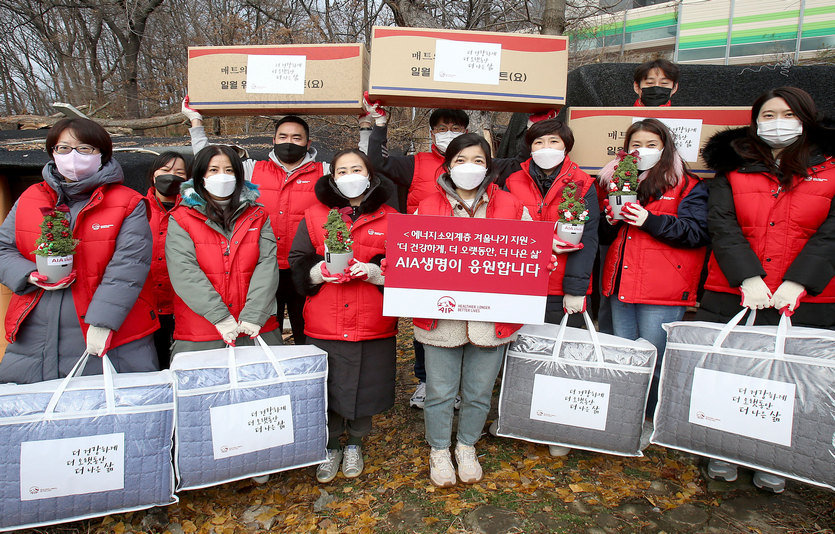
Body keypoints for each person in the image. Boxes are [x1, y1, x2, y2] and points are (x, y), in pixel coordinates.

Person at [697, 87, 835, 493]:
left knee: (789, 383)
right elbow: (722, 225)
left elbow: (831, 232)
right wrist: (747, 277)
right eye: (769, 114)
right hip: (735, 293)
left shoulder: (830, 169)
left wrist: (799, 280)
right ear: (756, 120)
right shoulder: (732, 169)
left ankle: (776, 458)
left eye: (788, 114)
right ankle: (723, 449)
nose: (778, 122)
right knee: (729, 375)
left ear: (806, 118)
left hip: (806, 299)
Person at [412, 133, 537, 488]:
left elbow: (530, 254)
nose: (470, 168)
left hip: (490, 318)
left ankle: (466, 446)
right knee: (439, 390)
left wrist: (541, 259)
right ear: (448, 166)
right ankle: (439, 449)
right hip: (442, 317)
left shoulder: (511, 206)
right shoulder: (427, 205)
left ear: (489, 166)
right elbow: (413, 256)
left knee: (480, 390)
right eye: (461, 160)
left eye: (478, 161)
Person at [0, 118, 159, 383]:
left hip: (109, 334)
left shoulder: (127, 202)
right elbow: (4, 248)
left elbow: (129, 266)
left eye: (84, 148)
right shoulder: (30, 198)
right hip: (33, 334)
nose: (73, 156)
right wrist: (28, 275)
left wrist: (102, 322)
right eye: (63, 148)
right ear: (52, 152)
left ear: (102, 155)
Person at [288, 149, 398, 483]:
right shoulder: (313, 214)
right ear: (332, 177)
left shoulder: (391, 217)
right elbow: (297, 259)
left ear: (370, 175)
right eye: (342, 170)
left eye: (357, 169)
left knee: (366, 387)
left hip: (372, 322)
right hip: (325, 321)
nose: (350, 176)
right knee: (329, 387)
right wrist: (319, 271)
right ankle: (332, 444)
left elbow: (406, 266)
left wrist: (375, 271)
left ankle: (356, 443)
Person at [182, 98, 327, 345]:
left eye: (296, 138)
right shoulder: (252, 169)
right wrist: (196, 121)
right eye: (282, 136)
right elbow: (210, 162)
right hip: (262, 268)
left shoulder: (324, 171)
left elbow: (360, 166)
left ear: (308, 143)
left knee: (309, 333)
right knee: (264, 333)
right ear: (273, 140)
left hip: (306, 268)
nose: (288, 142)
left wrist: (369, 127)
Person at [598, 118, 709, 421]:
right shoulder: (615, 181)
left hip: (662, 289)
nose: (642, 151)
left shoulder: (687, 184)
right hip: (622, 282)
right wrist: (609, 222)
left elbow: (697, 232)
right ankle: (622, 416)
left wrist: (650, 220)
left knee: (654, 359)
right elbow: (605, 238)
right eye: (636, 145)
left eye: (651, 145)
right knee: (624, 355)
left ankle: (649, 419)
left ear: (665, 147)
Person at [165, 145, 282, 356]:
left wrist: (255, 314)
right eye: (213, 170)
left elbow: (267, 265)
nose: (222, 176)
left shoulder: (258, 215)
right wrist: (220, 316)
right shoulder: (182, 218)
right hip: (201, 331)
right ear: (201, 175)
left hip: (256, 327)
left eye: (229, 170)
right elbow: (184, 270)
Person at [145, 151, 188, 368]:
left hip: (184, 302)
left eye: (179, 172)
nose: (171, 176)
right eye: (165, 170)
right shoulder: (137, 208)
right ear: (153, 175)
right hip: (148, 303)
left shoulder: (194, 210)